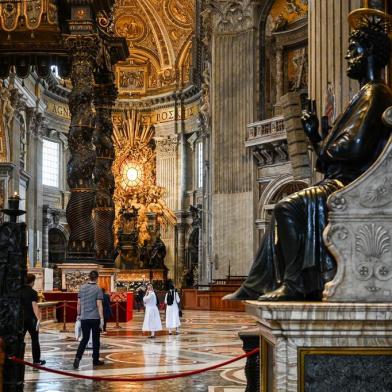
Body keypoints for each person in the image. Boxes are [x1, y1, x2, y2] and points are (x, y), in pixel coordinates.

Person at [224, 17, 392, 302]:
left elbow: (354, 148)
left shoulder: (376, 93)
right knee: (286, 207)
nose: (348, 55)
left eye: (355, 48)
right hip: (343, 180)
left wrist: (321, 144)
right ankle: (258, 284)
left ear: (371, 52)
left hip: (354, 184)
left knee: (288, 206)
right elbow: (336, 152)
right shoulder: (362, 96)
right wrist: (316, 136)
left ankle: (296, 284)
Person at [73, 270, 104, 369]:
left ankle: (77, 358)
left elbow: (78, 303)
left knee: (84, 339)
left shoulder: (82, 288)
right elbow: (99, 304)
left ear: (89, 277)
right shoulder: (98, 289)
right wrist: (102, 318)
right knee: (96, 340)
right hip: (94, 317)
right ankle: (95, 360)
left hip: (84, 317)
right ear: (97, 278)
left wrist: (78, 314)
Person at [21, 273, 46, 365]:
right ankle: (36, 360)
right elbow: (34, 306)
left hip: (21, 318)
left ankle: (18, 358)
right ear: (32, 282)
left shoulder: (19, 291)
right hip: (31, 319)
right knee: (35, 340)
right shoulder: (33, 292)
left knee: (20, 339)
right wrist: (39, 319)